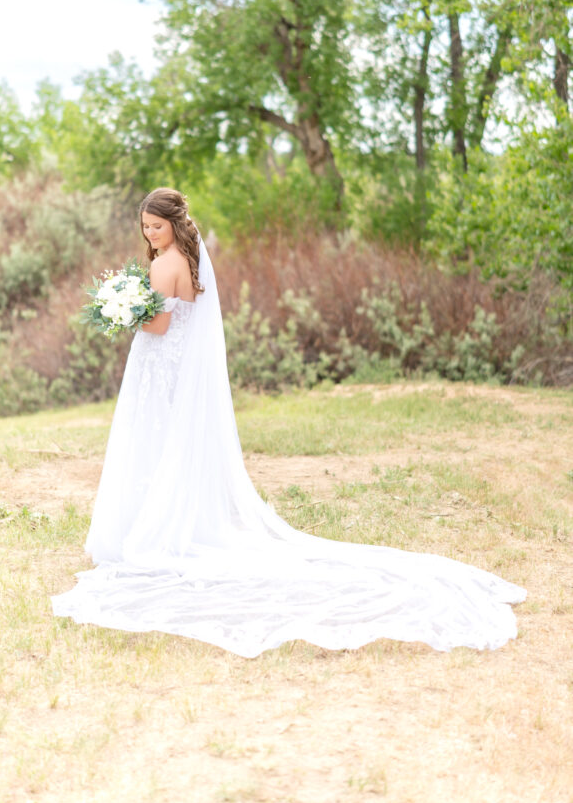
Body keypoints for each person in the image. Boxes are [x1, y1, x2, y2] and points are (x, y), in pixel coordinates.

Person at [52, 188, 526, 657]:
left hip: (158, 367)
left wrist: (125, 311)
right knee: (169, 442)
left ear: (174, 224)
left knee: (153, 440)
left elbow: (158, 326)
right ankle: (173, 519)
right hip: (175, 369)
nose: (150, 234)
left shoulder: (163, 263)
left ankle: (152, 526)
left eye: (157, 226)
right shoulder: (193, 260)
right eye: (146, 227)